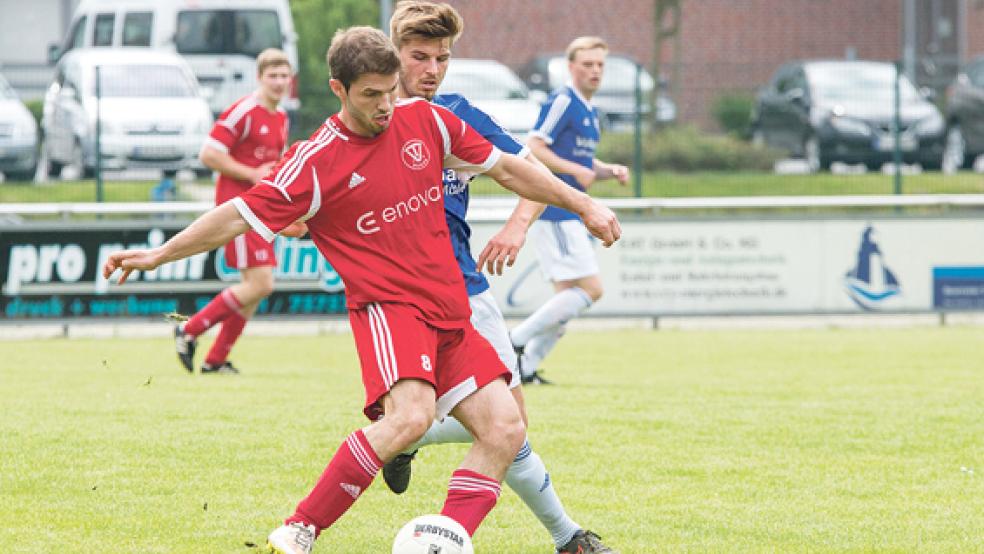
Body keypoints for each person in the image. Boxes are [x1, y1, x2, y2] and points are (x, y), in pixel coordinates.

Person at [101, 26, 621, 553]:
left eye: (391, 90)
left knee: (506, 429)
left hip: (450, 310)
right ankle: (300, 527)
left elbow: (512, 169)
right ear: (339, 90)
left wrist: (585, 205)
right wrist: (160, 253)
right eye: (371, 94)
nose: (385, 105)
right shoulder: (317, 160)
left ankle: (444, 540)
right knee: (413, 416)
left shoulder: (430, 122)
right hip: (390, 311)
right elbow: (238, 214)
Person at [382, 3, 615, 553]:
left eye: (443, 58)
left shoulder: (458, 115)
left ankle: (403, 442)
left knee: (510, 425)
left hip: (466, 288)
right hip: (404, 296)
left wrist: (515, 225)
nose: (433, 69)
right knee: (505, 427)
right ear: (394, 57)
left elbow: (531, 170)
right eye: (420, 57)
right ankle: (566, 538)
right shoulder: (372, 119)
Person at [174, 48, 302, 375]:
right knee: (261, 283)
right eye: (272, 76)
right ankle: (189, 330)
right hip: (239, 210)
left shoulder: (281, 117)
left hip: (263, 211)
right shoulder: (243, 111)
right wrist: (250, 173)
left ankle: (216, 360)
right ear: (259, 78)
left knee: (255, 290)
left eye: (284, 76)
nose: (278, 82)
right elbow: (209, 154)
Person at [511, 36, 630, 385]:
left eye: (600, 65)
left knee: (567, 301)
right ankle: (513, 342)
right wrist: (575, 171)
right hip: (556, 211)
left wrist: (606, 169)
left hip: (572, 214)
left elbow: (579, 161)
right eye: (588, 64)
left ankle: (526, 368)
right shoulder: (563, 100)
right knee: (591, 290)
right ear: (571, 67)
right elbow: (533, 146)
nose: (595, 71)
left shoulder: (588, 109)